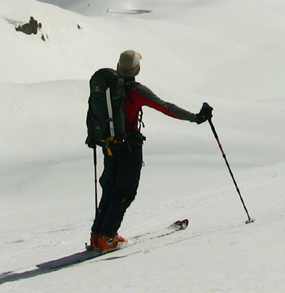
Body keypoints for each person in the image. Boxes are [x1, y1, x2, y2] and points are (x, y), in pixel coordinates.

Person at [89, 49, 212, 252]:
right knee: (124, 192)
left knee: (109, 188)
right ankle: (108, 238)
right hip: (129, 147)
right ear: (137, 68)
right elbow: (166, 107)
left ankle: (97, 235)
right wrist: (195, 117)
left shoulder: (108, 86)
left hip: (109, 145)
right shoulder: (135, 90)